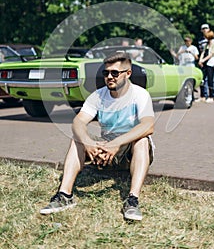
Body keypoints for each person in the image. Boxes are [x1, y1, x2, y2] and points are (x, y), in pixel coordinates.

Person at [40, 52, 155, 221]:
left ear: (128, 73)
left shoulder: (140, 94)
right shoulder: (98, 96)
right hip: (105, 151)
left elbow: (148, 125)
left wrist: (116, 143)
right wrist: (88, 143)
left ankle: (132, 200)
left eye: (115, 73)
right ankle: (64, 195)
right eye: (106, 73)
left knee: (142, 140)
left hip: (129, 151)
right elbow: (78, 122)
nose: (109, 77)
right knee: (77, 138)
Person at [198, 24, 214, 100]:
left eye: (206, 28)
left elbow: (212, 54)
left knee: (212, 79)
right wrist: (201, 60)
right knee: (204, 79)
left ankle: (213, 95)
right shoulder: (204, 43)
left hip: (211, 62)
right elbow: (202, 52)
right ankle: (204, 95)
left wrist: (203, 60)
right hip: (205, 63)